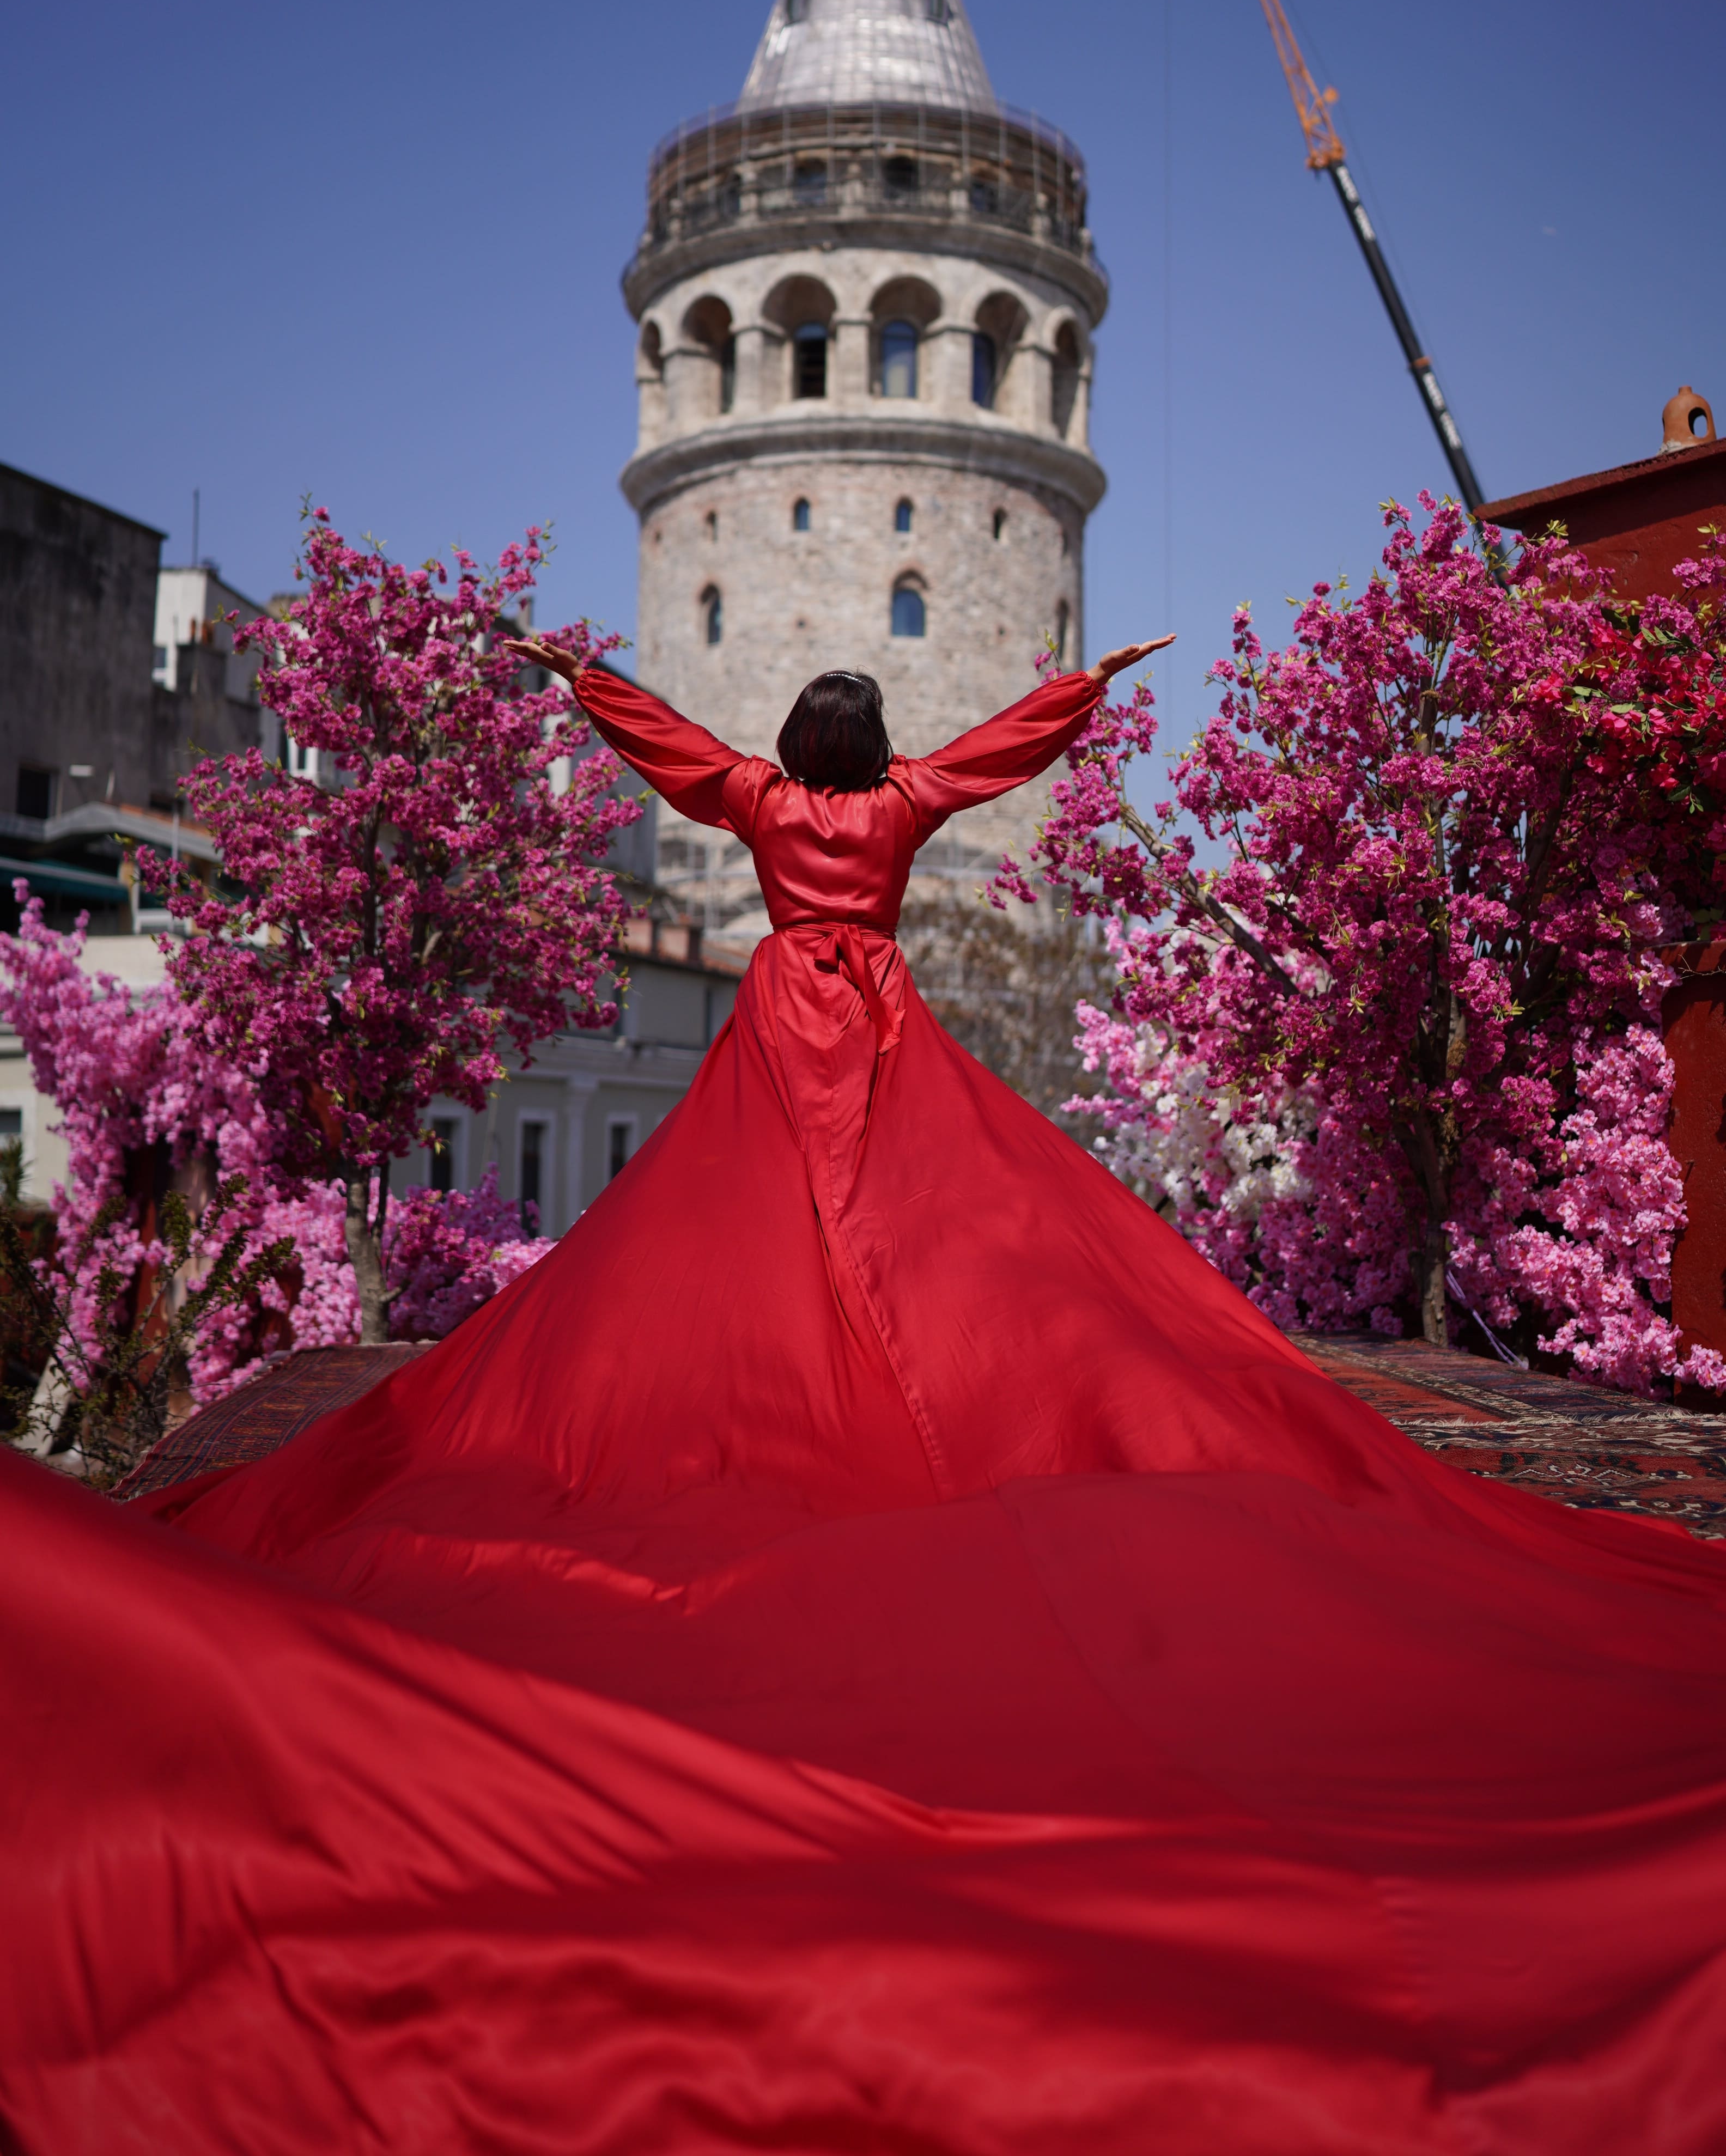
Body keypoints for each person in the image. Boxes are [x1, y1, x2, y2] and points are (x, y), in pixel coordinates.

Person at [3, 648, 1726, 2156]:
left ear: (791, 746)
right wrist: (1093, 688)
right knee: (917, 1221)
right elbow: (1000, 757)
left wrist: (573, 676)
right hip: (880, 1017)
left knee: (752, 1227)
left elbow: (662, 748)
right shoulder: (900, 809)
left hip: (775, 1020)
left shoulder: (759, 799)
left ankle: (787, 1395)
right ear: (871, 740)